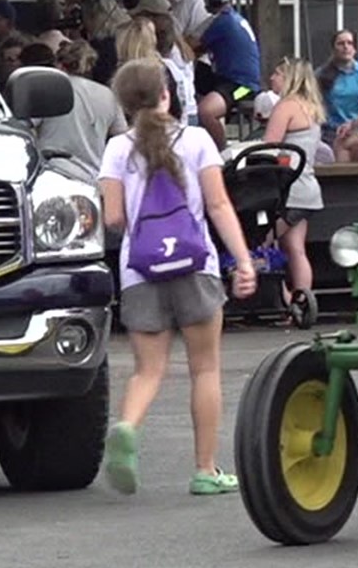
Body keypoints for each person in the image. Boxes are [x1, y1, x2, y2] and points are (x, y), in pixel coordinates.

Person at [98, 58, 257, 497]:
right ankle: (205, 470)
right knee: (205, 369)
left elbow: (113, 218)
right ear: (167, 94)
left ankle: (128, 425)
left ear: (125, 104)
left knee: (148, 371)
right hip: (195, 265)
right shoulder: (198, 140)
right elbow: (219, 205)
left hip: (139, 269)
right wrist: (243, 261)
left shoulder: (116, 149)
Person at [261, 57, 326, 311]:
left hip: (289, 190)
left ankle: (283, 298)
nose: (272, 79)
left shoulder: (285, 107)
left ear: (289, 78)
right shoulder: (311, 108)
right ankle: (303, 303)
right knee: (295, 248)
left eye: (277, 73)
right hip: (308, 188)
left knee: (262, 240)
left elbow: (270, 148)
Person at [33, 39, 125, 182]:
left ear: (59, 65)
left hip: (53, 172)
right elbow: (120, 134)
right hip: (93, 176)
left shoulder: (48, 90)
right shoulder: (108, 95)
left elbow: (25, 125)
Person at [192, 0, 262, 147]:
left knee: (206, 111)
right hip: (232, 80)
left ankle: (222, 152)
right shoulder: (236, 19)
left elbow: (194, 47)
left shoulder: (222, 22)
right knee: (200, 77)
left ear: (213, 2)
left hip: (243, 88)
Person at [315, 29, 358, 141]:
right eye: (341, 44)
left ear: (355, 48)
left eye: (349, 43)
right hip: (332, 133)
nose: (346, 47)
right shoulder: (321, 74)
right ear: (333, 49)